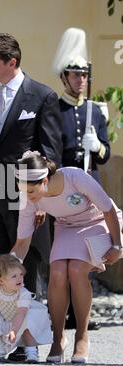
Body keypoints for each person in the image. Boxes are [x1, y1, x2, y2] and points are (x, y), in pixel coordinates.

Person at [0, 33, 63, 361]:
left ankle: (23, 341)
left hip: (23, 199)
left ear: (12, 63)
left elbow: (50, 152)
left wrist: (40, 200)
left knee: (24, 267)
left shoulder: (43, 96)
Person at [12, 151, 123, 364]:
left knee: (76, 269)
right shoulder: (28, 198)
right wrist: (6, 266)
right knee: (58, 271)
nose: (28, 196)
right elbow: (22, 242)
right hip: (66, 227)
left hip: (98, 221)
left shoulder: (74, 177)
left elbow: (108, 209)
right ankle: (58, 338)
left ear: (44, 180)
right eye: (23, 190)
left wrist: (117, 245)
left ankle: (82, 336)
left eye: (32, 190)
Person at [52, 28, 111, 330]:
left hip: (90, 189)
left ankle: (80, 315)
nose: (80, 80)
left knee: (87, 254)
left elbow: (106, 153)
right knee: (62, 256)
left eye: (83, 75)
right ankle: (60, 313)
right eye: (74, 75)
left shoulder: (95, 112)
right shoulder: (54, 109)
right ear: (64, 78)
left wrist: (97, 146)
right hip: (63, 192)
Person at [0, 254, 52, 363]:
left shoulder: (23, 293)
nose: (19, 279)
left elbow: (21, 314)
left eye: (21, 274)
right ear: (1, 281)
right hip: (7, 318)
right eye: (14, 276)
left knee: (28, 324)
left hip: (22, 318)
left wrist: (13, 331)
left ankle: (31, 352)